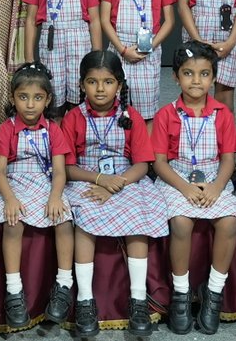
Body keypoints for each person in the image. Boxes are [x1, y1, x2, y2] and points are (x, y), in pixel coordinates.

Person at [61, 50, 168, 338]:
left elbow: (143, 164)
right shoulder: (72, 118)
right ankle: (84, 300)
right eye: (93, 82)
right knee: (84, 219)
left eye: (107, 82)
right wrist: (99, 179)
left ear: (119, 85)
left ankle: (137, 299)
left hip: (125, 179)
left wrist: (114, 183)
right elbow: (68, 168)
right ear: (82, 85)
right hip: (86, 178)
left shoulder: (131, 116)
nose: (100, 89)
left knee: (138, 217)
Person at [152, 42, 236, 336]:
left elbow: (229, 159)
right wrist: (184, 188)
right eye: (188, 74)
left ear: (213, 78)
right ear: (175, 77)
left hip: (214, 177)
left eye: (204, 74)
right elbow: (160, 163)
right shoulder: (166, 114)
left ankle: (213, 293)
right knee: (180, 222)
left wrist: (217, 186)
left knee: (228, 222)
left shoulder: (223, 114)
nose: (196, 81)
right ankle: (180, 294)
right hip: (176, 178)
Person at [0, 62, 75, 330]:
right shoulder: (6, 129)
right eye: (23, 97)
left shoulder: (53, 129)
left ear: (48, 99)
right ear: (12, 97)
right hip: (15, 183)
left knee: (63, 220)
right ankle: (14, 291)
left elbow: (60, 172)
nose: (30, 105)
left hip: (46, 183)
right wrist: (9, 198)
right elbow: (0, 172)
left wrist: (55, 196)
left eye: (38, 98)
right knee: (13, 222)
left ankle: (64, 285)